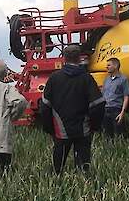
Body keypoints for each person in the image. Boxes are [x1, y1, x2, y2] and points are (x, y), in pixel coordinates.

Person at [39, 45, 105, 175]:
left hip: (60, 130)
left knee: (58, 166)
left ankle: (57, 183)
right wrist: (94, 126)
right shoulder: (87, 78)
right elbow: (98, 104)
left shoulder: (54, 78)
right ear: (80, 58)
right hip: (83, 129)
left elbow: (45, 106)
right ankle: (84, 186)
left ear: (64, 58)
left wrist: (49, 128)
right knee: (83, 167)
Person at [101, 57, 129, 140]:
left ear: (115, 66)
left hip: (116, 109)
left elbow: (126, 96)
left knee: (119, 133)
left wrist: (122, 112)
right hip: (106, 109)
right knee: (107, 134)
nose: (106, 67)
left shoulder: (123, 79)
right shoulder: (107, 79)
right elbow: (103, 94)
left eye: (109, 65)